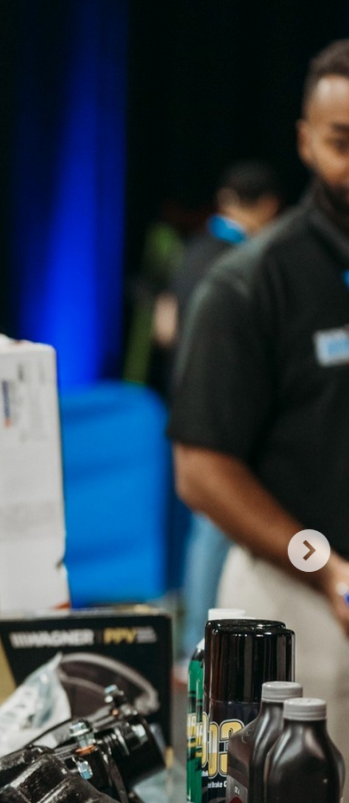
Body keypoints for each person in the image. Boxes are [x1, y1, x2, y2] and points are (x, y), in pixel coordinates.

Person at [169, 42, 349, 758]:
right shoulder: (251, 285)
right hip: (295, 598)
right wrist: (325, 564)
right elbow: (202, 470)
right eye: (342, 143)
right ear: (306, 142)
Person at [159, 161, 282, 661]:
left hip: (184, 406)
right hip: (227, 415)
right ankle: (204, 647)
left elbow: (165, 328)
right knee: (220, 525)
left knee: (204, 527)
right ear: (269, 207)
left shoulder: (189, 253)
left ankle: (198, 641)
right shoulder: (246, 263)